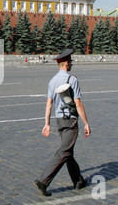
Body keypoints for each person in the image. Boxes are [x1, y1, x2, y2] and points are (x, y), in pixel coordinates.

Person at [34, 49, 91, 196]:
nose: (71, 64)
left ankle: (78, 181)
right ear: (66, 64)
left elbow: (49, 104)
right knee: (65, 151)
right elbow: (78, 103)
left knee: (68, 150)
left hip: (59, 121)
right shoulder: (72, 80)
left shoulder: (52, 81)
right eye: (70, 62)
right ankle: (43, 180)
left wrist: (47, 123)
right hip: (70, 120)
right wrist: (86, 123)